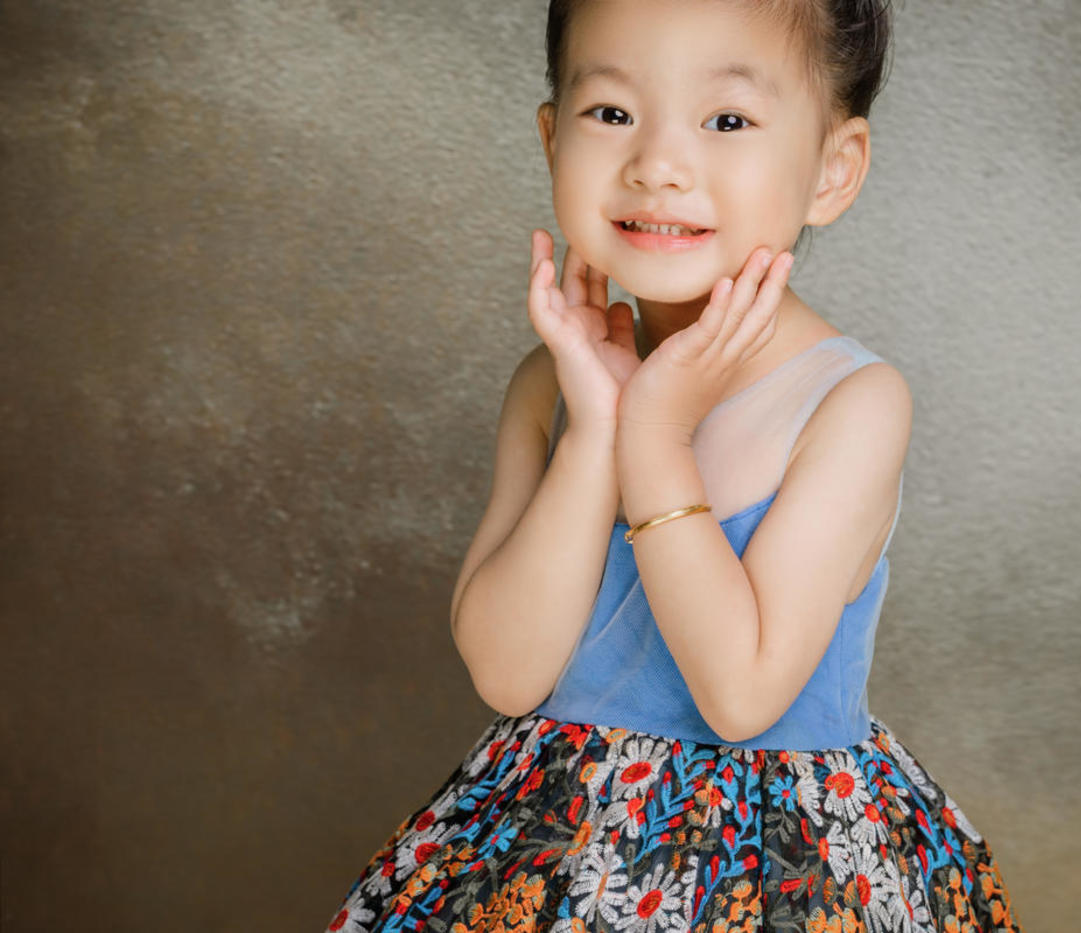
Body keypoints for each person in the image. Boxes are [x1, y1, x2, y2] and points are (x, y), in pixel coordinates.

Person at [324, 1, 1020, 930]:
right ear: (552, 140)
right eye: (612, 112)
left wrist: (653, 436)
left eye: (726, 119)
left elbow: (741, 695)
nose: (657, 164)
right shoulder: (552, 382)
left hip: (775, 871)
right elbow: (506, 672)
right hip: (552, 852)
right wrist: (595, 429)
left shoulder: (852, 402)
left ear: (832, 169)